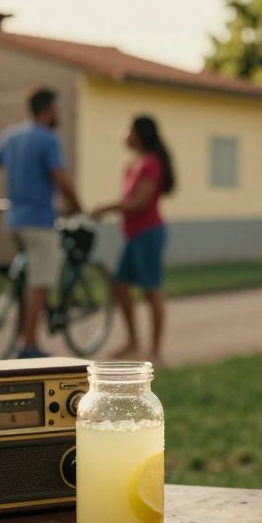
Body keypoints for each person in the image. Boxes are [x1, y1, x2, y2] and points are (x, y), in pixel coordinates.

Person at [0, 87, 81, 359]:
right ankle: (30, 345)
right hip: (39, 221)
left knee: (30, 275)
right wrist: (76, 205)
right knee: (41, 281)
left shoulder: (10, 136)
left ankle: (24, 329)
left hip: (13, 220)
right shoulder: (48, 139)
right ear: (48, 110)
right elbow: (59, 177)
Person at [92, 115, 175, 363]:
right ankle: (133, 342)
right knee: (120, 285)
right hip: (132, 235)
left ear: (138, 134)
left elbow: (139, 203)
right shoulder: (134, 165)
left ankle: (155, 351)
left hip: (148, 233)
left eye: (127, 129)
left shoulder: (150, 164)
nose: (123, 133)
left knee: (151, 290)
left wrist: (105, 208)